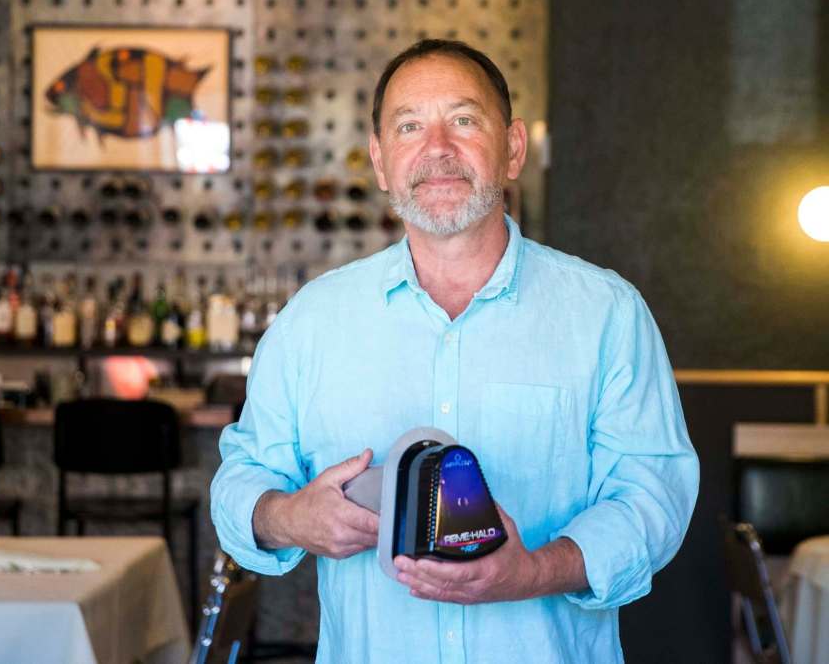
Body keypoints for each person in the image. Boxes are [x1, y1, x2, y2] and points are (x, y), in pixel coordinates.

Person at [211, 39, 699, 663]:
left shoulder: (607, 313)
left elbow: (651, 494)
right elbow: (240, 480)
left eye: (464, 120)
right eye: (409, 125)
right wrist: (287, 517)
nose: (437, 147)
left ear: (513, 148)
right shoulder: (315, 319)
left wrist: (534, 571)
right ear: (381, 161)